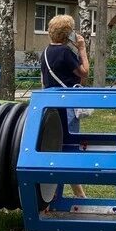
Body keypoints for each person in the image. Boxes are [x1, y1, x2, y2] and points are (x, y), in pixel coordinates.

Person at [40, 14, 89, 198]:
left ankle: (58, 193)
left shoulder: (45, 52)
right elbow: (84, 72)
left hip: (51, 107)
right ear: (68, 34)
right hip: (67, 106)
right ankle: (78, 194)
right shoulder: (65, 52)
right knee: (69, 147)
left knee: (55, 146)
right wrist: (82, 49)